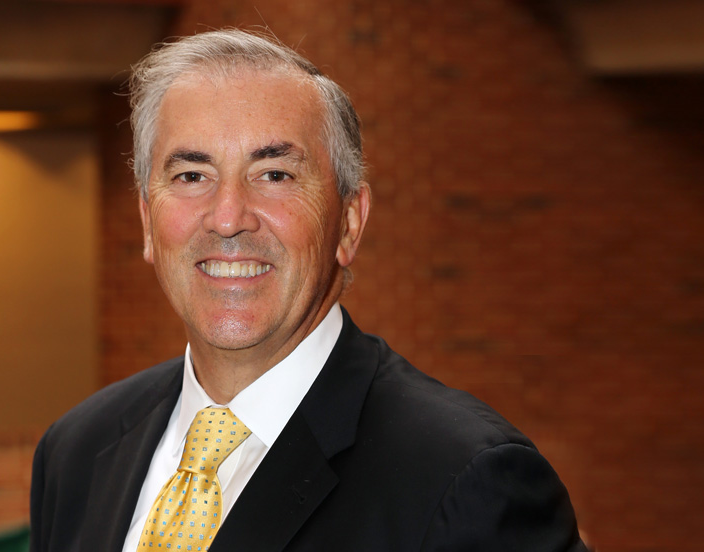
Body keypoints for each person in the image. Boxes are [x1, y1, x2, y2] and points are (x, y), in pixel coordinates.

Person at [29, 29, 588, 552]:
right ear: (149, 224)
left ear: (348, 222)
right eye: (191, 176)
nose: (227, 218)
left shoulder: (467, 479)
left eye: (274, 174)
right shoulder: (77, 451)